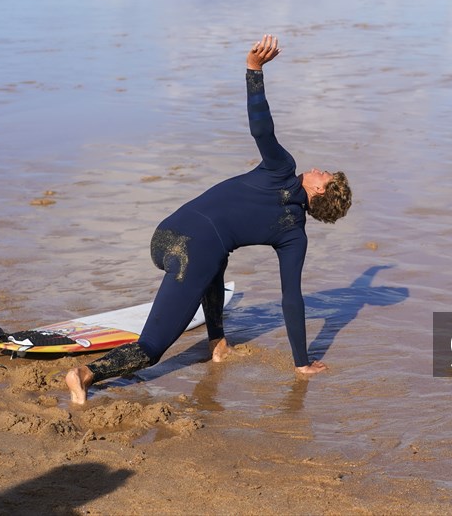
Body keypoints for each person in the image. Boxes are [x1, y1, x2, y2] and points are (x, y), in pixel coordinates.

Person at [66, 35, 352, 404]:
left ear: (321, 193)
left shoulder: (282, 171)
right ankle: (85, 374)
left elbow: (262, 129)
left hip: (165, 235)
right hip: (191, 253)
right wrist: (301, 362)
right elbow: (291, 299)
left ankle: (217, 344)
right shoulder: (294, 233)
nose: (317, 169)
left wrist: (254, 70)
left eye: (324, 175)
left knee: (217, 258)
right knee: (151, 348)